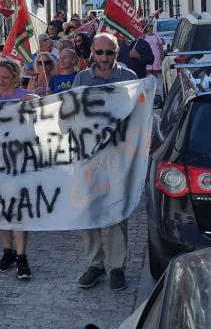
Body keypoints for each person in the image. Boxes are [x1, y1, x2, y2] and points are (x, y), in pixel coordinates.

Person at [74, 33, 139, 292]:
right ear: (92, 52)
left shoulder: (129, 78)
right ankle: (95, 264)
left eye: (109, 53)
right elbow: (69, 112)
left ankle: (117, 267)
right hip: (88, 155)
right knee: (88, 210)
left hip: (118, 155)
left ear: (116, 52)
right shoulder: (81, 79)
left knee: (116, 210)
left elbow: (138, 114)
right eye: (99, 52)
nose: (103, 58)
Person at [0, 60, 38, 280]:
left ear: (15, 77)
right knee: (2, 209)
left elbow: (47, 108)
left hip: (19, 161)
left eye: (5, 77)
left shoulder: (24, 95)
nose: (1, 81)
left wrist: (35, 100)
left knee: (18, 209)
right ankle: (8, 252)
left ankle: (22, 255)